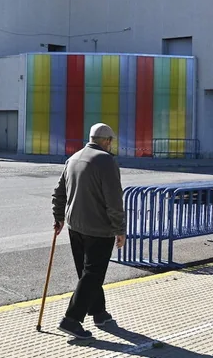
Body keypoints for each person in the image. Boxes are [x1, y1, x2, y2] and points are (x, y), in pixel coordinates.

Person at [51, 122, 126, 340]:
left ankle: (99, 313)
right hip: (98, 229)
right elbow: (114, 200)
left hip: (75, 227)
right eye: (111, 141)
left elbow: (59, 192)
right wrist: (119, 229)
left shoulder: (73, 158)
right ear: (107, 141)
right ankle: (71, 320)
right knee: (93, 274)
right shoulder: (106, 161)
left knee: (87, 273)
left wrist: (58, 218)